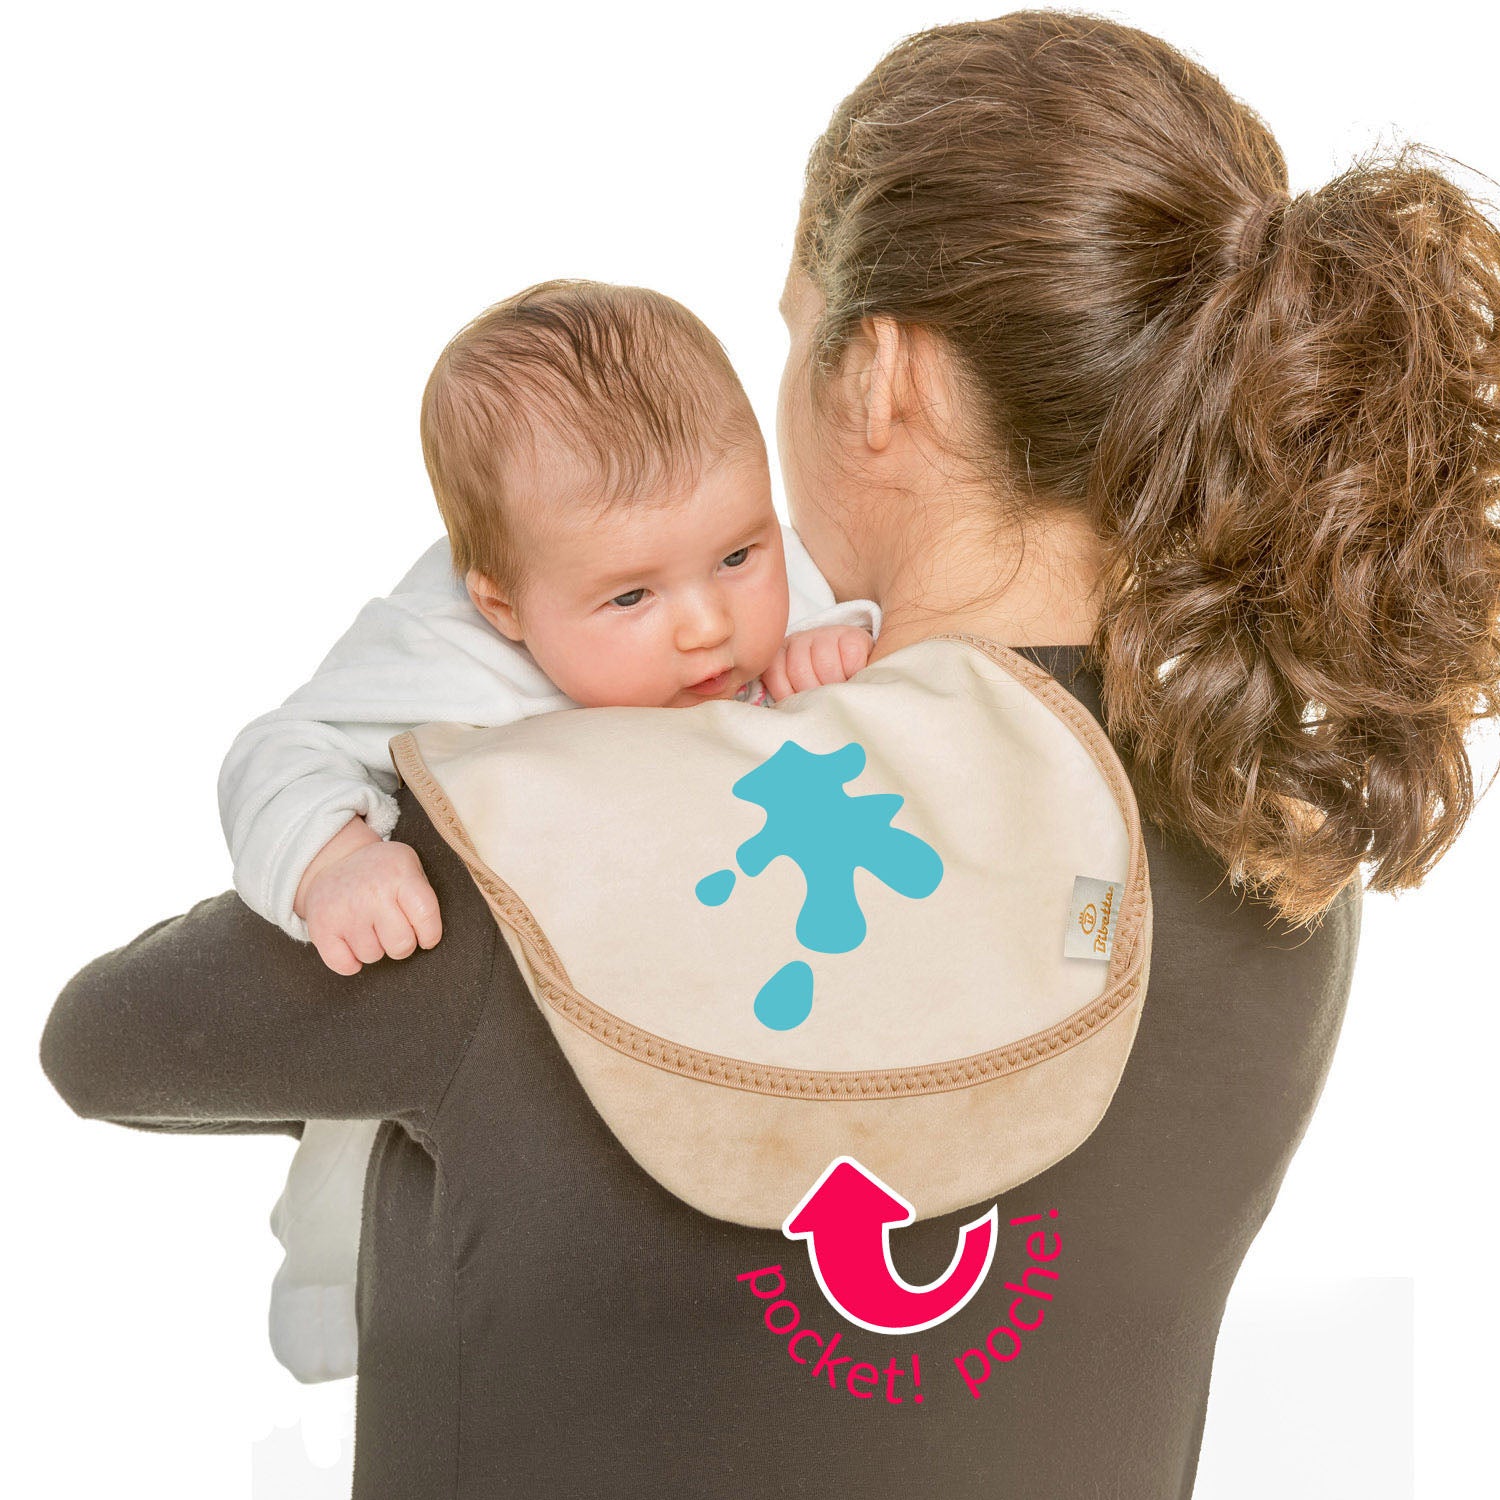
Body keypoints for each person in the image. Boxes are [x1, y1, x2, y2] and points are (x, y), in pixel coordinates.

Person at [39, 12, 1500, 1497]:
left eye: (794, 333)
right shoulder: (1279, 853)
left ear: (884, 381)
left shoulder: (559, 850)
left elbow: (106, 1043)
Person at [219, 277, 882, 1381]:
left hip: (684, 991)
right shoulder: (443, 652)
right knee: (379, 1179)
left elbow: (836, 614)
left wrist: (828, 645)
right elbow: (276, 752)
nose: (709, 625)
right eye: (630, 600)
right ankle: (339, 1292)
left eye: (738, 556)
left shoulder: (765, 583)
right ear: (504, 606)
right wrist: (336, 859)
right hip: (467, 1033)